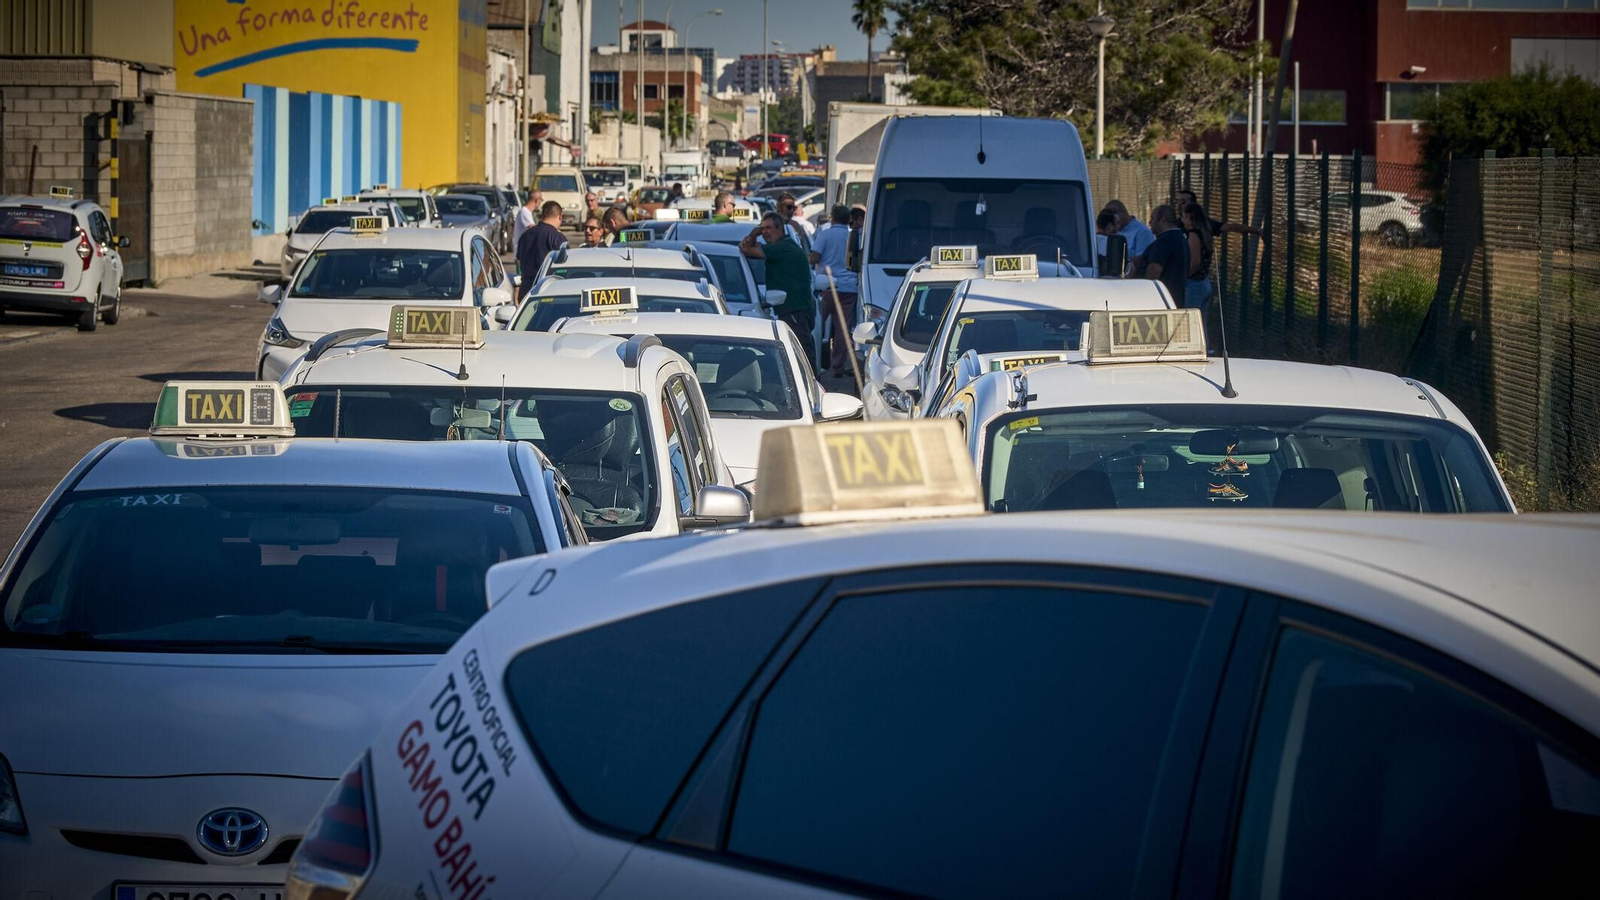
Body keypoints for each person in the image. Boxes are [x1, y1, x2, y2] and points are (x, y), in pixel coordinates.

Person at [741, 212, 817, 368]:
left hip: (795, 310)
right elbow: (749, 247)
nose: (765, 232)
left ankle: (812, 380)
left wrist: (754, 233)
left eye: (768, 228)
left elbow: (746, 250)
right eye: (762, 228)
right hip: (792, 309)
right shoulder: (779, 247)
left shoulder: (782, 248)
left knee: (801, 352)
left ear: (780, 229)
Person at [809, 205, 857, 377]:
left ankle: (812, 362)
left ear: (832, 218)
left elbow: (814, 257)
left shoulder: (825, 234)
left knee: (817, 326)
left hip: (826, 287)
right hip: (849, 287)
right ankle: (838, 366)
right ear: (848, 219)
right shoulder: (853, 236)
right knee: (843, 329)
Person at [516, 201, 567, 297]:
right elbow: (566, 265)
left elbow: (519, 261)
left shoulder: (525, 235)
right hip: (548, 290)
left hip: (526, 291)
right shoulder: (557, 237)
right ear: (560, 216)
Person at [1143, 205, 1190, 306]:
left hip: (1160, 299)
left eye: (1153, 218)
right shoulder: (1181, 239)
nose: (1150, 222)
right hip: (1176, 298)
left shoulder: (1164, 241)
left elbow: (1154, 270)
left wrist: (1146, 292)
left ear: (1163, 220)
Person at [1175, 188, 1258, 238]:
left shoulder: (1203, 224)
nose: (1179, 205)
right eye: (1177, 201)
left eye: (1183, 202)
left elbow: (1230, 227)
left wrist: (1256, 231)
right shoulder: (1174, 223)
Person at [1180, 202, 1215, 315]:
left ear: (1189, 217)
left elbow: (1194, 263)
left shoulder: (1193, 235)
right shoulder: (1205, 233)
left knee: (1190, 319)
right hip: (1204, 281)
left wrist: (1183, 277)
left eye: (1184, 217)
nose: (1182, 220)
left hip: (1194, 283)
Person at [1103, 199, 1155, 269]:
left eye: (1113, 218)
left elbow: (1142, 259)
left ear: (1123, 213)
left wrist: (1119, 264)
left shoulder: (1142, 232)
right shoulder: (1113, 231)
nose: (1112, 222)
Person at [512, 188, 541, 257]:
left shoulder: (528, 212)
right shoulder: (524, 212)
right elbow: (534, 229)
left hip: (525, 252)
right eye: (541, 200)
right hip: (522, 252)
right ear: (536, 200)